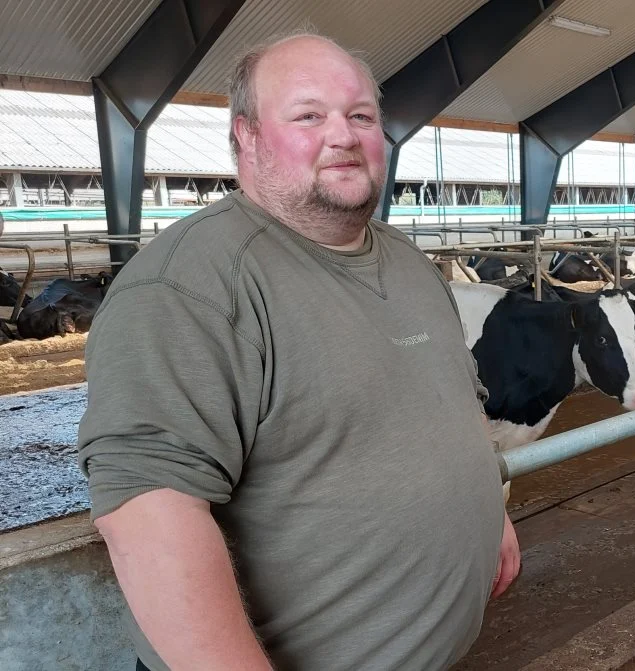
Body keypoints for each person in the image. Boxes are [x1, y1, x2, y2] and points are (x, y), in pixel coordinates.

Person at [76, 31, 519, 671]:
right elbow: (147, 515)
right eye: (308, 115)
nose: (343, 135)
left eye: (361, 116)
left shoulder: (409, 262)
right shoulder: (189, 286)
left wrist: (491, 515)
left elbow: (458, 400)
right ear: (246, 138)